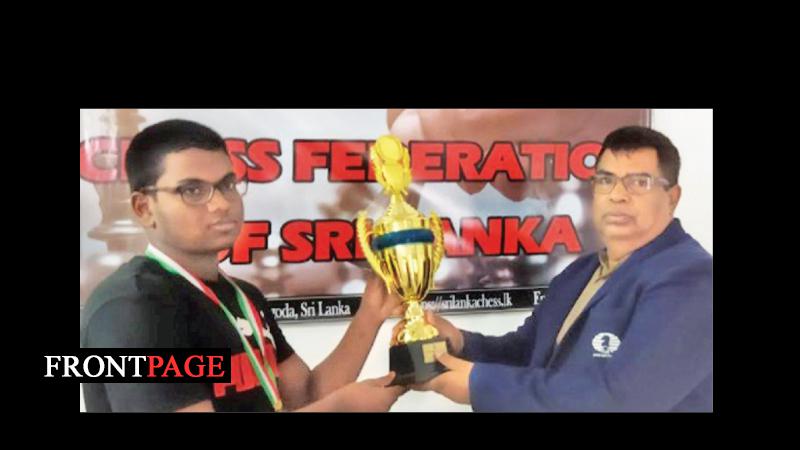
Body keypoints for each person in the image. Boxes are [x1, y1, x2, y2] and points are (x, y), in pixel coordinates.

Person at [81, 119, 406, 412]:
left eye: (227, 184)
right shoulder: (131, 306)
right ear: (143, 208)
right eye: (192, 190)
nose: (222, 203)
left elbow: (306, 396)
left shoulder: (244, 296)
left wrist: (370, 315)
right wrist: (341, 408)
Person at [412, 126, 713, 412]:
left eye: (639, 182)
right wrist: (460, 342)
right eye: (606, 180)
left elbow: (622, 401)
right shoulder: (580, 272)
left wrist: (477, 384)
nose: (617, 195)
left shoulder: (692, 280)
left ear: (672, 197)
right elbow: (526, 352)